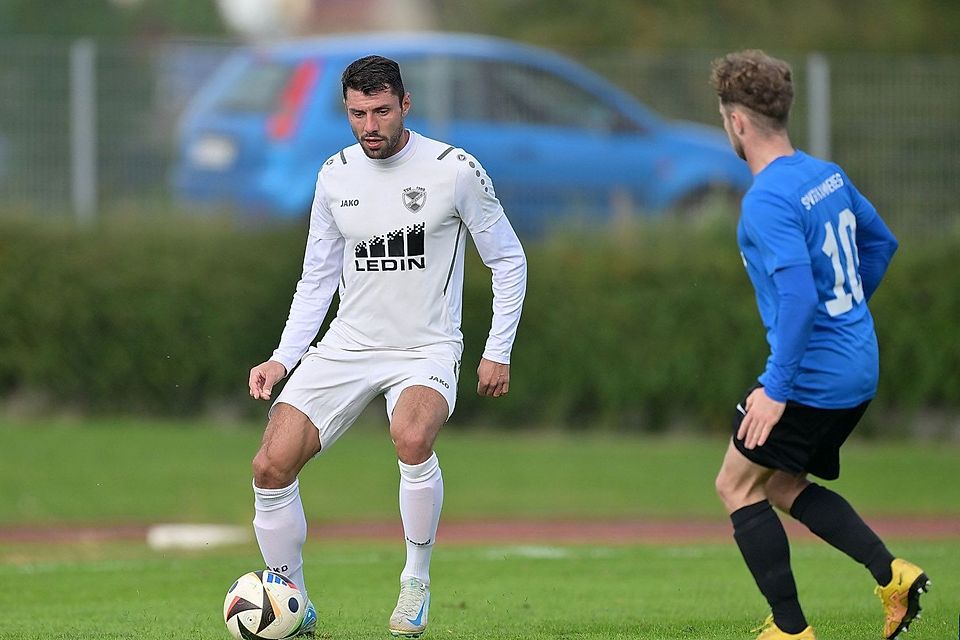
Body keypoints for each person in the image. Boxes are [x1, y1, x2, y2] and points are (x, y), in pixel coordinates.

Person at [247, 55, 527, 638]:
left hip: (426, 346)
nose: (369, 125)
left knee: (411, 435)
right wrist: (282, 356)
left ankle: (416, 582)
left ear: (405, 105)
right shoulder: (335, 174)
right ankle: (289, 597)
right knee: (270, 466)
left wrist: (497, 349)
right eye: (357, 113)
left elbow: (508, 259)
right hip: (348, 343)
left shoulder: (454, 170)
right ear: (346, 112)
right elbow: (317, 278)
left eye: (380, 111)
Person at [709, 50, 928, 640]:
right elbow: (880, 244)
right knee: (778, 484)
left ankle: (790, 630)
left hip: (810, 377)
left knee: (734, 484)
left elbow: (802, 299)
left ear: (737, 122)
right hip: (857, 367)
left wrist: (776, 389)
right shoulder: (824, 174)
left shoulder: (767, 199)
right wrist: (848, 310)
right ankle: (893, 575)